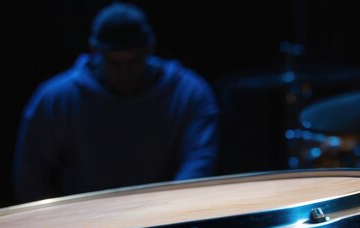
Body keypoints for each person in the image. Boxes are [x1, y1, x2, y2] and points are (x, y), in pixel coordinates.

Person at [13, 2, 219, 203]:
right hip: (84, 227)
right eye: (113, 62)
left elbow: (197, 167)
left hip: (165, 224)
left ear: (150, 47)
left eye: (133, 61)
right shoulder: (55, 100)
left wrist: (165, 215)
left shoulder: (190, 94)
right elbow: (31, 178)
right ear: (94, 50)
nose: (124, 73)